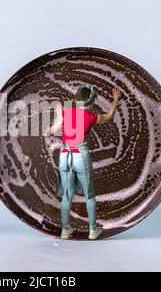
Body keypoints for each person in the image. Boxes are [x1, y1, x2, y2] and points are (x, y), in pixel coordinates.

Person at [49, 85, 120, 240]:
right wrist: (115, 100)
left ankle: (65, 230)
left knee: (67, 196)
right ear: (90, 101)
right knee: (89, 195)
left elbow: (53, 131)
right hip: (80, 155)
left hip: (64, 154)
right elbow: (109, 116)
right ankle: (93, 230)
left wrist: (57, 114)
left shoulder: (65, 112)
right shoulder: (91, 116)